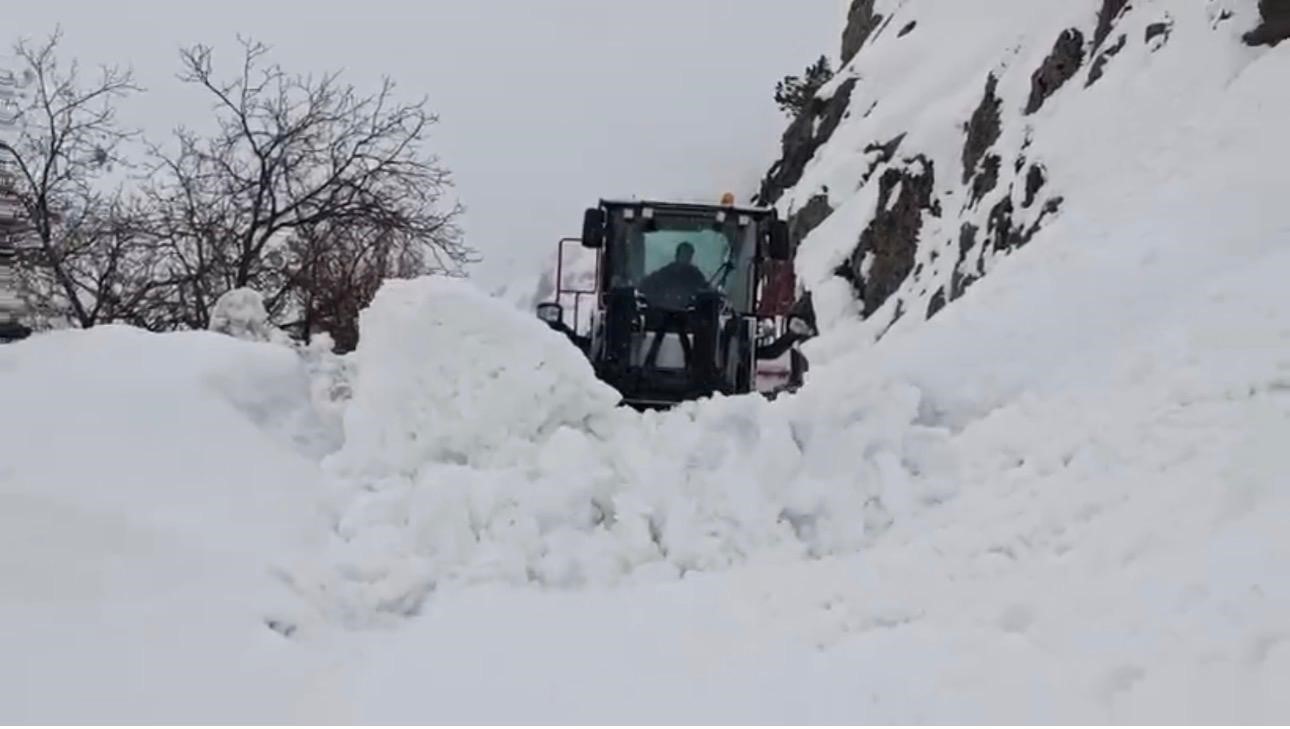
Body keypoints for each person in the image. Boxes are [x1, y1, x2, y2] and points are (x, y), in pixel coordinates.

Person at [639, 241, 709, 309]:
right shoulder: (665, 273)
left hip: (689, 314)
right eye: (684, 254)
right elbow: (645, 285)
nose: (687, 258)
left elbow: (705, 290)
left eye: (689, 255)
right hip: (665, 313)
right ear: (677, 255)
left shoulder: (696, 275)